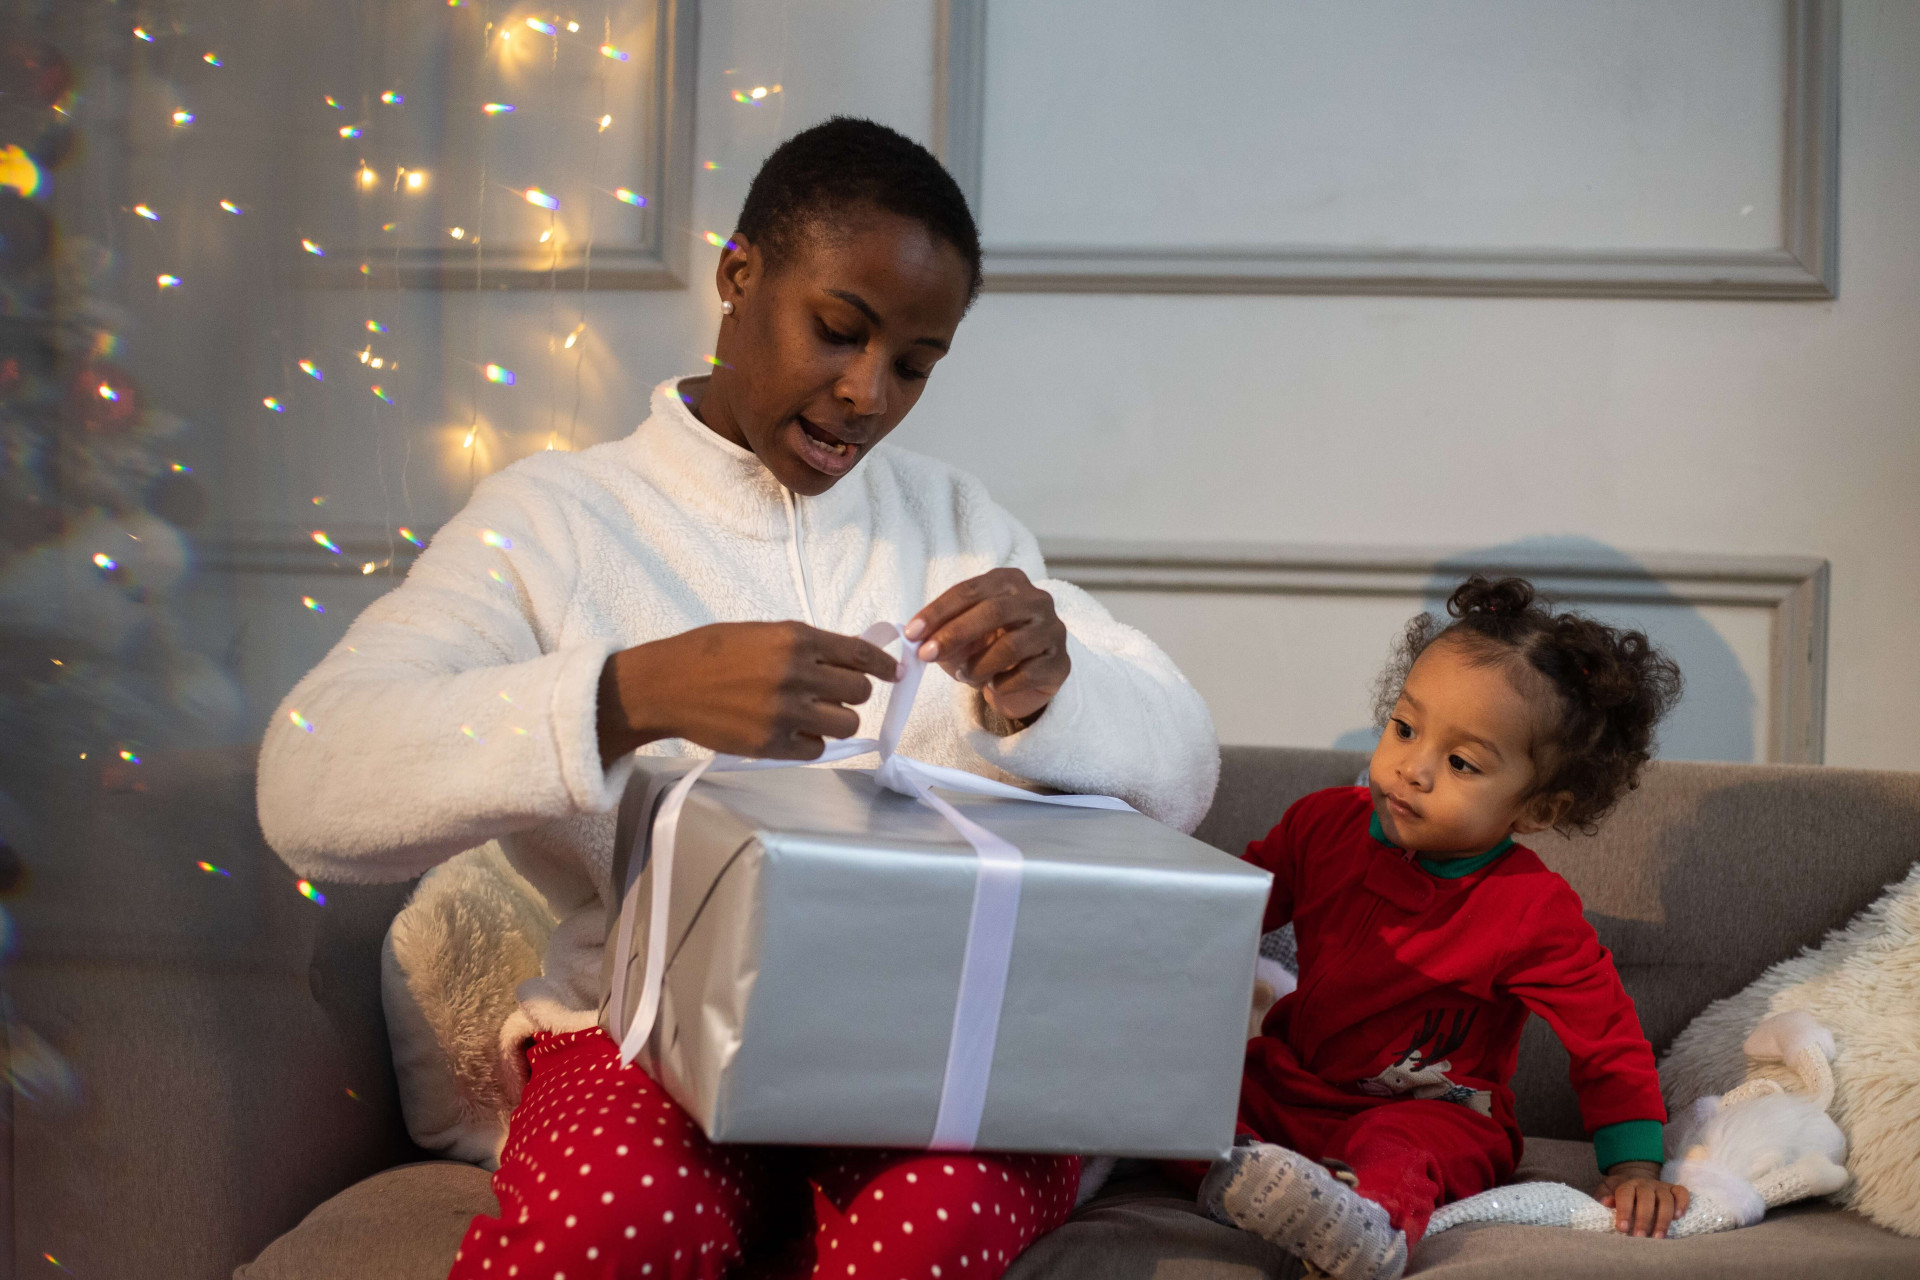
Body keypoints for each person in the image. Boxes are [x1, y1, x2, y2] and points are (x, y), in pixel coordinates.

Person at [255, 117, 1217, 1279]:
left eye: (914, 363)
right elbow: (309, 781)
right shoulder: (557, 520)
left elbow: (1185, 767)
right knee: (606, 1224)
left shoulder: (959, 526)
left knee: (942, 1221)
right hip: (643, 1035)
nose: (867, 392)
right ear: (737, 274)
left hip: (930, 1042)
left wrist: (1055, 690)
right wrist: (631, 693)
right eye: (839, 329)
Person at [1195, 576, 1688, 1279]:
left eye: (1461, 763)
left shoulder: (1530, 909)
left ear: (1539, 810)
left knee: (1402, 1144)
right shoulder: (1321, 823)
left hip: (1437, 1114)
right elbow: (1229, 912)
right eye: (1404, 728)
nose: (1412, 768)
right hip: (1294, 1086)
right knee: (1190, 1092)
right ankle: (1244, 1180)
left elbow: (1606, 1040)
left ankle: (1365, 1227)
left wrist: (1635, 1165)